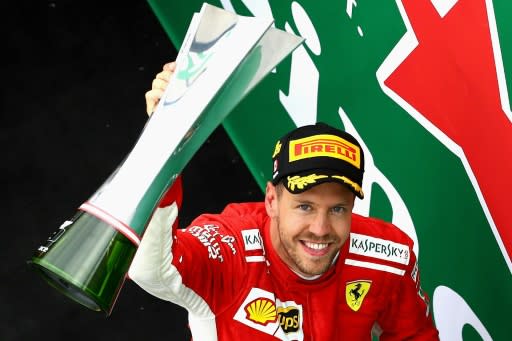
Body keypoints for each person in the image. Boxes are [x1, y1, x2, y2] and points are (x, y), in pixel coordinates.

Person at [128, 63, 440, 340]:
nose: (320, 228)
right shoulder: (230, 247)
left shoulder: (388, 256)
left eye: (337, 209)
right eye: (305, 206)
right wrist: (163, 141)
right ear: (271, 200)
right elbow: (151, 269)